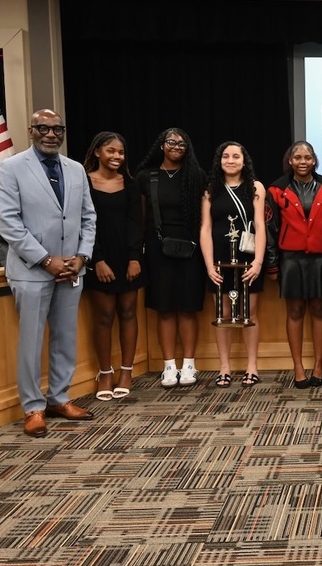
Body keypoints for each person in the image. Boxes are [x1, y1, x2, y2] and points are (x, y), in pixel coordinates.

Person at [0, 109, 97, 437]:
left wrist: (82, 256)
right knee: (31, 341)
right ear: (31, 131)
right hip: (32, 270)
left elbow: (88, 218)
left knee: (66, 336)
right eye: (43, 128)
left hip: (71, 269)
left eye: (57, 129)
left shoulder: (76, 169)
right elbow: (7, 221)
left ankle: (59, 398)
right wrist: (44, 259)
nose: (51, 134)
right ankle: (33, 408)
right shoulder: (11, 167)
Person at [137, 128, 207, 389]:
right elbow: (140, 217)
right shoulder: (147, 177)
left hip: (191, 250)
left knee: (188, 308)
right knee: (165, 308)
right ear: (161, 145)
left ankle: (189, 364)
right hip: (158, 250)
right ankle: (169, 365)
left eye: (182, 144)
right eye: (171, 142)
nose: (176, 146)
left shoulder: (196, 176)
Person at [266, 141, 322, 388]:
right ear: (290, 161)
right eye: (297, 157)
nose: (302, 161)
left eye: (307, 157)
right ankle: (298, 366)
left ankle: (318, 365)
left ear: (314, 160)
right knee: (294, 311)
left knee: (319, 310)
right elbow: (270, 229)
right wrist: (272, 264)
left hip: (321, 259)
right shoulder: (276, 189)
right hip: (291, 259)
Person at [200, 141, 267, 388]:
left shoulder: (255, 187)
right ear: (219, 161)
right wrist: (209, 266)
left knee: (249, 313)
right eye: (226, 156)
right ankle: (224, 368)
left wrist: (258, 262)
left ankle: (252, 366)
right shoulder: (210, 190)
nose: (230, 160)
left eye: (236, 156)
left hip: (249, 260)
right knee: (223, 314)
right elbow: (205, 229)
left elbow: (260, 225)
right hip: (219, 261)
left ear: (244, 160)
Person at [83, 131, 144, 401]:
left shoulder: (130, 183)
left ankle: (126, 372)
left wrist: (134, 258)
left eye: (121, 152)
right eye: (111, 150)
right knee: (104, 316)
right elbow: (83, 223)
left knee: (128, 312)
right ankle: (105, 373)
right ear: (98, 152)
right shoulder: (84, 182)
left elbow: (136, 222)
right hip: (99, 258)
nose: (117, 156)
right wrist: (97, 260)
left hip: (127, 257)